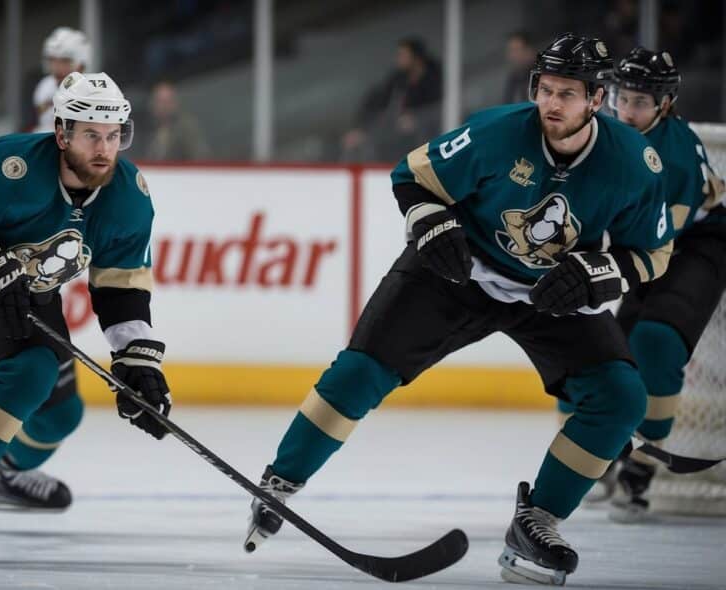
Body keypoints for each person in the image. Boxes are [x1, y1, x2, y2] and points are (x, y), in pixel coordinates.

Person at [244, 33, 673, 586]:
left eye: (567, 93)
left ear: (597, 100)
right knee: (359, 373)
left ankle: (537, 521)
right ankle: (280, 482)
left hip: (552, 294)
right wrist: (430, 222)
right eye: (545, 89)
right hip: (454, 274)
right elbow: (412, 176)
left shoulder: (633, 164)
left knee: (621, 397)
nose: (551, 103)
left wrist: (601, 274)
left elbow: (655, 254)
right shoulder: (497, 132)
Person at [0, 72, 172, 560]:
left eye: (112, 136)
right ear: (62, 134)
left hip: (35, 288)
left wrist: (136, 359)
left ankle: (7, 476)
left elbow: (121, 283)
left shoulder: (129, 194)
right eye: (90, 134)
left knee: (61, 412)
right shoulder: (13, 165)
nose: (104, 149)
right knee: (31, 370)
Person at [561, 47, 725, 520]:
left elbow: (653, 241)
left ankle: (641, 468)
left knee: (654, 341)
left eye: (639, 102)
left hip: (698, 243)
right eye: (621, 98)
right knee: (614, 349)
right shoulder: (607, 132)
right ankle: (613, 448)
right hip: (649, 241)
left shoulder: (674, 158)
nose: (626, 111)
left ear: (665, 105)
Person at [340, 37, 441, 162]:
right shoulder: (398, 78)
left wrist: (418, 119)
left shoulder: (437, 79)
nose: (398, 59)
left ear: (416, 57)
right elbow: (377, 101)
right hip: (398, 134)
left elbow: (441, 110)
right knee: (360, 143)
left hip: (430, 136)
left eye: (403, 55)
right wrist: (361, 128)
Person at [32, 27, 90, 133]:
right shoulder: (45, 86)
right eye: (52, 60)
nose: (57, 67)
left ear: (81, 64)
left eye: (65, 61)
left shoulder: (92, 89)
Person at [143, 80, 209, 161]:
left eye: (168, 101)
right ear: (152, 104)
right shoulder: (144, 128)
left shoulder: (187, 128)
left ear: (176, 103)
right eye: (160, 101)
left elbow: (200, 157)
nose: (164, 106)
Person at [503, 31, 536, 104]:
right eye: (511, 51)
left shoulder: (544, 74)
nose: (513, 56)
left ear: (529, 50)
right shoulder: (513, 78)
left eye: (517, 50)